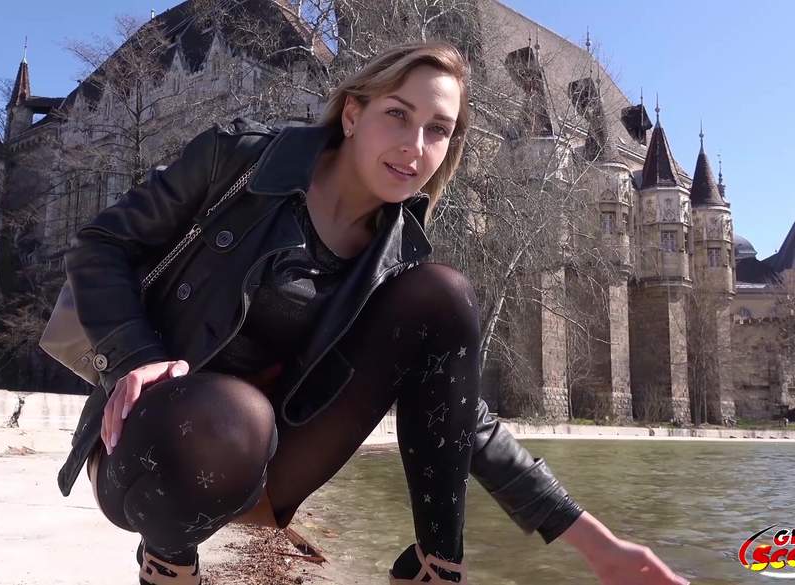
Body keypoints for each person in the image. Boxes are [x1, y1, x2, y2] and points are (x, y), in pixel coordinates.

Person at [55, 41, 689, 585]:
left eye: (438, 130)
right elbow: (101, 245)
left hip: (271, 467)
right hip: (150, 449)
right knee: (234, 416)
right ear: (353, 114)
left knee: (444, 294)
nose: (414, 147)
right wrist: (135, 355)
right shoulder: (242, 159)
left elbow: (459, 415)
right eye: (397, 115)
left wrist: (598, 544)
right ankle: (168, 564)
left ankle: (436, 568)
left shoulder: (396, 257)